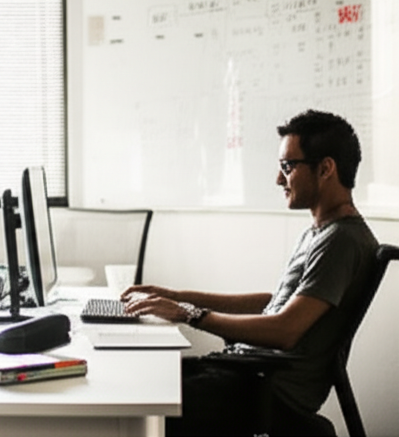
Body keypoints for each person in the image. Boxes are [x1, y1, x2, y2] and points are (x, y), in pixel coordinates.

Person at [122, 109, 378, 436]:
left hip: (264, 389)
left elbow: (285, 329)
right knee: (142, 377)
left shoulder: (342, 240)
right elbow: (276, 305)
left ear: (325, 168)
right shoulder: (321, 232)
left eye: (287, 167)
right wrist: (176, 297)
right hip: (246, 374)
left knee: (138, 402)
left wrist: (190, 314)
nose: (278, 179)